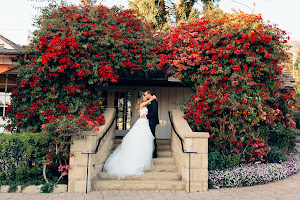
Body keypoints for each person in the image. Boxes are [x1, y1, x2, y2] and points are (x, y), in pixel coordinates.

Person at [103, 95, 157, 178]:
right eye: (144, 97)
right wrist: (153, 97)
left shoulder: (144, 105)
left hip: (145, 122)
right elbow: (148, 102)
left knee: (143, 140)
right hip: (142, 123)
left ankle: (142, 157)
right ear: (141, 100)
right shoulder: (142, 105)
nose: (145, 97)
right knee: (139, 139)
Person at [141, 89, 159, 158]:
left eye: (146, 95)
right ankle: (150, 151)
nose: (145, 96)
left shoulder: (154, 102)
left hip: (152, 121)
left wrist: (146, 116)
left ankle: (154, 153)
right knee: (150, 136)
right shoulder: (151, 101)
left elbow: (154, 113)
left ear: (149, 94)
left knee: (152, 137)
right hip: (149, 121)